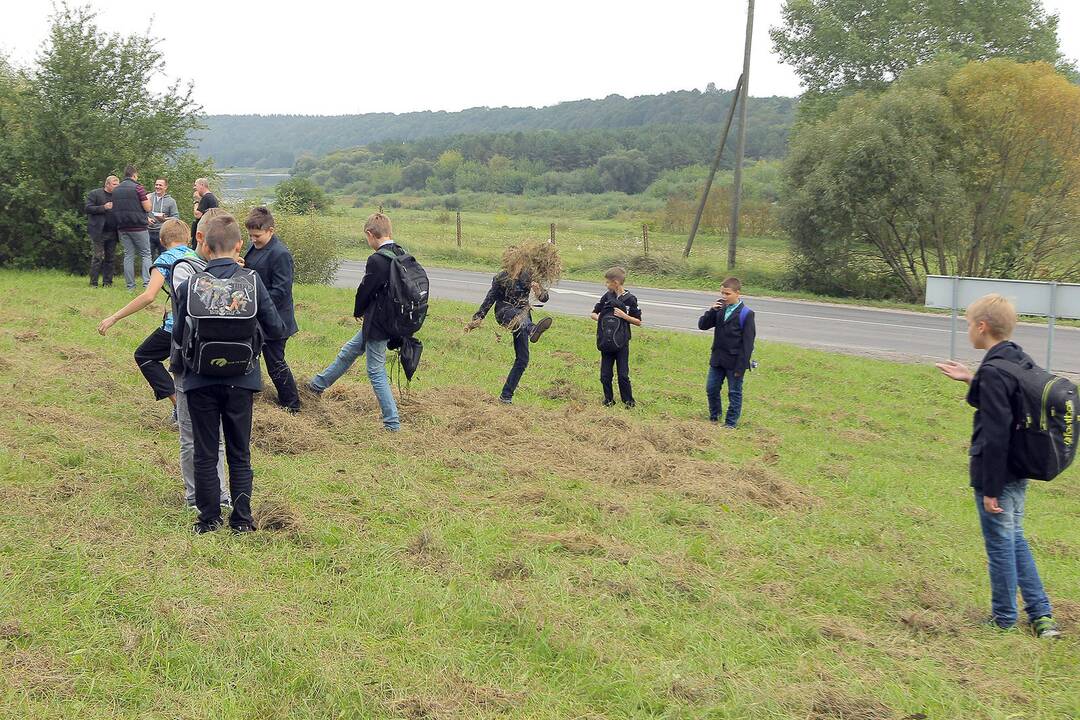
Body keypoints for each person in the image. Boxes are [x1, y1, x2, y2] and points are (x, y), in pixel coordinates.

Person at [936, 294, 1061, 638]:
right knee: (1015, 539)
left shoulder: (993, 371)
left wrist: (991, 489)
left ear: (982, 326)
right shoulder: (1016, 358)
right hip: (1020, 469)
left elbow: (996, 434)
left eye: (968, 325)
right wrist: (969, 379)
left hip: (999, 474)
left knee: (1000, 546)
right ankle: (1042, 616)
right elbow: (1007, 400)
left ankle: (1003, 619)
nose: (967, 332)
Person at [98, 217, 231, 508]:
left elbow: (148, 295)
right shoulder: (204, 252)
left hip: (178, 330)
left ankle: (176, 405)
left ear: (161, 240)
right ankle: (222, 494)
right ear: (191, 236)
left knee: (144, 356)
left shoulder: (167, 260)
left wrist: (114, 317)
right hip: (214, 337)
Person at [172, 212, 285, 534]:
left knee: (205, 451)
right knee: (239, 451)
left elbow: (179, 336)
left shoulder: (191, 284)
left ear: (205, 246)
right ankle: (241, 520)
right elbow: (275, 326)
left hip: (199, 378)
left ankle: (208, 520)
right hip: (242, 376)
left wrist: (178, 371)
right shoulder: (251, 281)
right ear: (239, 246)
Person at [307, 212, 401, 431]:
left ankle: (392, 423)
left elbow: (366, 289)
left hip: (378, 323)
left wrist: (358, 310)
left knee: (375, 371)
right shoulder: (402, 253)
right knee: (349, 351)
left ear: (370, 234)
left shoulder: (378, 259)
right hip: (392, 319)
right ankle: (316, 386)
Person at [465, 254, 554, 404]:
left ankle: (506, 396)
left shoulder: (528, 275)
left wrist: (538, 291)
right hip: (504, 312)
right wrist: (477, 318)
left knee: (523, 359)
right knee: (520, 318)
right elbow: (490, 298)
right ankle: (533, 330)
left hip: (523, 314)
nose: (519, 266)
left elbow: (544, 297)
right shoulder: (501, 278)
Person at [243, 207, 300, 413]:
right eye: (250, 235)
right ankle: (252, 391)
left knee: (275, 362)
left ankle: (291, 403)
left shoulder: (280, 254)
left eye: (257, 236)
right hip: (257, 317)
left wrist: (255, 301)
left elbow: (281, 291)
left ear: (271, 230)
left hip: (276, 320)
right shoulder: (253, 247)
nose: (253, 239)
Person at [697, 277, 756, 428]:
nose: (724, 296)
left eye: (727, 294)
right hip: (717, 359)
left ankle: (730, 423)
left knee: (734, 392)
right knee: (711, 388)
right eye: (722, 293)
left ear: (738, 293)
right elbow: (702, 326)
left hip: (735, 361)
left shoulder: (746, 314)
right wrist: (711, 311)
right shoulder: (720, 309)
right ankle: (715, 417)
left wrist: (741, 366)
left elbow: (748, 343)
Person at [590, 266, 642, 408]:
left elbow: (638, 321)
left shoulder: (630, 299)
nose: (606, 285)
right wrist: (602, 318)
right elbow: (593, 313)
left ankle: (629, 401)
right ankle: (608, 400)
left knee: (623, 375)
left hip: (622, 343)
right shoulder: (607, 296)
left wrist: (624, 316)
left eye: (608, 282)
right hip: (606, 341)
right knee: (605, 375)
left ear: (616, 282)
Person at [112, 165, 154, 291]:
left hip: (122, 227)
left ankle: (130, 287)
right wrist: (149, 199)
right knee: (146, 254)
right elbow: (147, 208)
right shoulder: (138, 188)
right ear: (134, 175)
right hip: (138, 227)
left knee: (128, 255)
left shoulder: (116, 190)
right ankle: (147, 284)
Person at [85, 175, 119, 287]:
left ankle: (107, 282)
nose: (117, 186)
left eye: (118, 184)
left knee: (110, 258)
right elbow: (88, 208)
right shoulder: (95, 194)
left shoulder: (118, 196)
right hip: (99, 231)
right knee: (98, 257)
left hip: (113, 231)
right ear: (107, 184)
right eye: (114, 184)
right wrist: (103, 207)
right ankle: (93, 282)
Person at [147, 178, 180, 259]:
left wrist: (164, 219)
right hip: (148, 232)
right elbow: (141, 212)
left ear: (165, 187)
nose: (157, 187)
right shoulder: (148, 197)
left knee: (164, 257)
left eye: (160, 185)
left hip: (163, 233)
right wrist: (146, 218)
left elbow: (176, 217)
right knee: (148, 257)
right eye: (156, 185)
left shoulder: (171, 201)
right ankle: (149, 272)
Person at [191, 178, 219, 244]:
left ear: (202, 185)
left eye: (196, 185)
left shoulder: (206, 197)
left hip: (204, 231)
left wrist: (196, 201)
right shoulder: (211, 197)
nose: (194, 188)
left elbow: (197, 215)